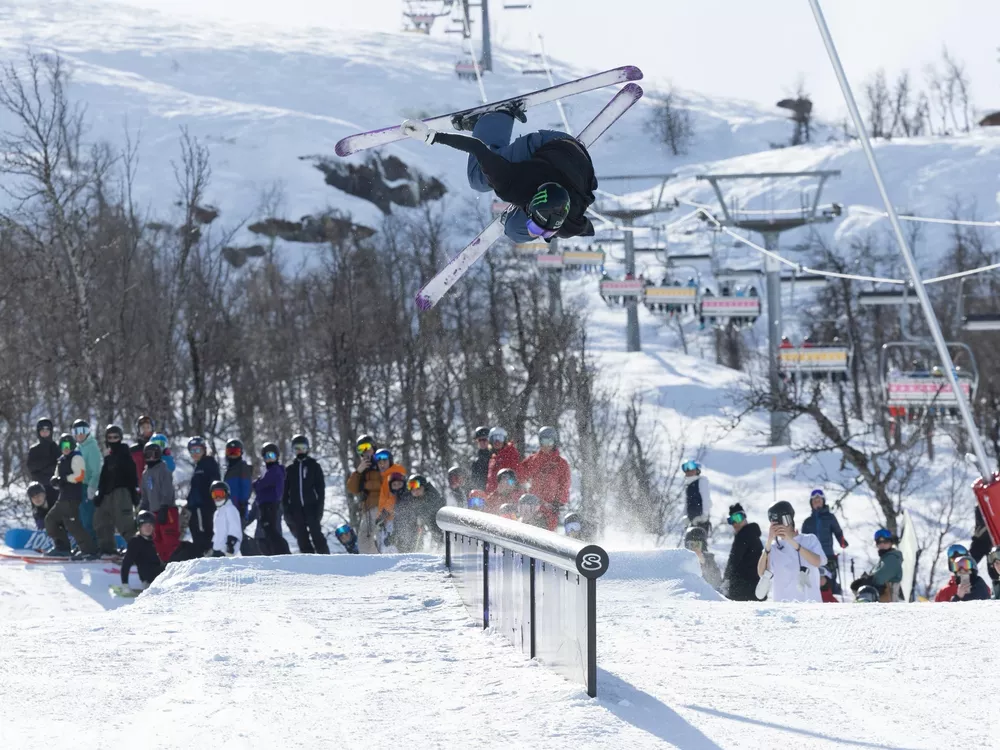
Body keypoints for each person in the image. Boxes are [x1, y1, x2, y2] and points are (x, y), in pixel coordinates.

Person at [401, 107, 597, 244]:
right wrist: (431, 136)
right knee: (478, 180)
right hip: (549, 144)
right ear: (530, 205)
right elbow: (477, 148)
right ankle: (495, 117)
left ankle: (516, 220)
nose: (538, 233)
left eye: (544, 232)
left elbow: (584, 226)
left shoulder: (570, 222)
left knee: (515, 230)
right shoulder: (512, 185)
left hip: (576, 160)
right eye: (538, 230)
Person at [756, 500, 826, 602]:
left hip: (810, 608)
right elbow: (761, 573)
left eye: (778, 523)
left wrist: (792, 542)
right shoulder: (774, 547)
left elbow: (817, 562)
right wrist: (768, 542)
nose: (776, 527)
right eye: (773, 524)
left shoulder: (809, 539)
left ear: (787, 519)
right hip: (784, 611)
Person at [42, 434, 99, 559]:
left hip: (72, 497)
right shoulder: (61, 460)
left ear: (73, 446)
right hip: (62, 497)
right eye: (63, 445)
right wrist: (55, 481)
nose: (66, 448)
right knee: (50, 520)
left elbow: (80, 476)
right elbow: (57, 476)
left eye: (68, 445)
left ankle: (89, 550)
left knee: (72, 525)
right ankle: (62, 547)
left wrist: (64, 479)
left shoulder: (77, 457)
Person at [93, 424, 138, 555]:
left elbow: (132, 476)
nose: (113, 440)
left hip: (121, 494)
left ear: (120, 438)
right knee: (101, 520)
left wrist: (134, 494)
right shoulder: (108, 457)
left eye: (116, 437)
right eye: (110, 437)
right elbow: (103, 478)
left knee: (125, 524)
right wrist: (100, 494)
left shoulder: (125, 455)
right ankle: (107, 549)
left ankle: (138, 550)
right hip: (107, 494)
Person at [283, 434, 330, 554]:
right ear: (293, 450)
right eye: (297, 448)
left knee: (316, 534)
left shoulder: (314, 466)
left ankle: (326, 559)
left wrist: (319, 509)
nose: (300, 451)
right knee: (301, 536)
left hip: (311, 507)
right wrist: (287, 511)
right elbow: (284, 493)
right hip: (296, 508)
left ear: (307, 448)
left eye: (303, 448)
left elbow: (321, 490)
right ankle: (308, 562)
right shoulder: (290, 469)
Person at [519, 426, 570, 531]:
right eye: (543, 441)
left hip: (550, 509)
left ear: (554, 442)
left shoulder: (561, 464)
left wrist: (558, 502)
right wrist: (522, 495)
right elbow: (520, 477)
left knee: (546, 536)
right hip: (531, 507)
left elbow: (565, 485)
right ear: (539, 441)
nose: (546, 445)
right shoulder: (533, 460)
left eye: (549, 442)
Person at [139, 441, 179, 563]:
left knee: (169, 539)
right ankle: (163, 566)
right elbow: (145, 495)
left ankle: (175, 564)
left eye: (155, 455)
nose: (152, 458)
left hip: (167, 510)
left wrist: (164, 506)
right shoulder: (145, 474)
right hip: (153, 513)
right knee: (157, 541)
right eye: (148, 455)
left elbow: (167, 489)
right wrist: (142, 510)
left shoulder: (163, 468)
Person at [800, 489, 848, 591]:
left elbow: (838, 532)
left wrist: (842, 541)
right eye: (815, 501)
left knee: (828, 581)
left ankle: (833, 598)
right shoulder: (807, 522)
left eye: (819, 500)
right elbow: (803, 539)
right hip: (812, 556)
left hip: (828, 555)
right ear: (811, 504)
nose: (817, 502)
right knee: (814, 581)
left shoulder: (830, 517)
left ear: (823, 502)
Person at [346, 434, 383, 554]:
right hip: (368, 510)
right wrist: (358, 472)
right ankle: (374, 563)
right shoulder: (362, 469)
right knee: (363, 541)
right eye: (361, 449)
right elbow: (352, 488)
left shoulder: (383, 461)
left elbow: (393, 482)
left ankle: (392, 564)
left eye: (367, 447)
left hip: (385, 507)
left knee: (384, 539)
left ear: (374, 447)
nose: (365, 451)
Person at [186, 436, 220, 556]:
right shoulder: (198, 466)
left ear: (204, 450)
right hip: (196, 506)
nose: (195, 454)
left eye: (198, 450)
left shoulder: (209, 463)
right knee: (196, 531)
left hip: (204, 506)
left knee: (203, 532)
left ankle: (206, 554)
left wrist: (210, 501)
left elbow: (215, 483)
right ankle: (201, 554)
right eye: (192, 451)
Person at [252, 442, 289, 555]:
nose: (269, 459)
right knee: (267, 528)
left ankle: (282, 551)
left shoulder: (275, 470)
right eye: (266, 456)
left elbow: (262, 484)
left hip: (270, 503)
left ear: (277, 456)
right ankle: (272, 552)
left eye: (272, 456)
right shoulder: (267, 470)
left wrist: (256, 484)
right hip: (264, 503)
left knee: (270, 528)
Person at [722, 503, 763, 602]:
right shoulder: (753, 534)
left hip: (743, 592)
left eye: (738, 517)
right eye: (731, 520)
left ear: (744, 517)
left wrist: (726, 579)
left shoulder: (744, 535)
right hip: (755, 590)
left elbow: (733, 559)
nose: (735, 523)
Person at [849, 528, 903, 603]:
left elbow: (880, 579)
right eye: (879, 542)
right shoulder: (884, 559)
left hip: (887, 603)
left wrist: (868, 580)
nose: (882, 544)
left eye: (885, 541)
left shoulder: (892, 558)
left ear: (891, 543)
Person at [71, 419, 101, 544]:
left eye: (83, 430)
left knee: (87, 518)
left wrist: (92, 487)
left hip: (87, 486)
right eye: (76, 431)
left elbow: (96, 471)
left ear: (88, 432)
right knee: (80, 518)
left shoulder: (91, 447)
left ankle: (91, 545)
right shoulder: (79, 447)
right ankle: (83, 544)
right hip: (78, 487)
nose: (80, 434)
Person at [119, 510, 164, 591]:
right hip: (149, 578)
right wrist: (124, 583)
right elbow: (126, 563)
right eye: (145, 525)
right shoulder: (135, 541)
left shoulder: (152, 540)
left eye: (150, 525)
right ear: (139, 527)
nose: (148, 528)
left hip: (159, 574)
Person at [374, 449, 407, 551]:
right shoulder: (382, 477)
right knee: (383, 549)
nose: (382, 465)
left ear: (390, 461)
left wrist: (385, 512)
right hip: (384, 520)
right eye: (379, 463)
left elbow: (395, 496)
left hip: (394, 520)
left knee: (392, 550)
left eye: (385, 462)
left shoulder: (394, 474)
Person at [27, 417, 60, 512]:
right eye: (42, 430)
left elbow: (57, 467)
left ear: (51, 431)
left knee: (55, 515)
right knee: (40, 518)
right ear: (38, 432)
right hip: (38, 490)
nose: (45, 432)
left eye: (47, 430)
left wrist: (41, 468)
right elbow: (31, 468)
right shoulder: (34, 449)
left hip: (54, 488)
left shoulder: (56, 448)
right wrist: (47, 462)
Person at [209, 481, 242, 558]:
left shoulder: (231, 509)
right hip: (217, 550)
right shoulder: (217, 512)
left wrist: (231, 544)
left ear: (226, 494)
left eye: (220, 494)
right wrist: (212, 545)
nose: (217, 498)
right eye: (215, 495)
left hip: (226, 551)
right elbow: (216, 532)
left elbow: (235, 528)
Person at [684, 525, 722, 591]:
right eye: (691, 544)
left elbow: (716, 583)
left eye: (697, 544)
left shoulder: (710, 561)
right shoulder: (683, 559)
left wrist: (704, 564)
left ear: (703, 545)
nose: (694, 548)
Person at [223, 438, 253, 524]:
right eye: (230, 452)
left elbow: (246, 486)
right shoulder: (228, 469)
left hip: (238, 508)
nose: (233, 455)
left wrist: (242, 504)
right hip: (227, 508)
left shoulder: (242, 467)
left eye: (236, 452)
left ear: (241, 453)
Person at [681, 460, 712, 534]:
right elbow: (687, 503)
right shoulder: (688, 485)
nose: (688, 470)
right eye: (685, 468)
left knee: (699, 542)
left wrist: (704, 516)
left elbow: (706, 500)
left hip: (701, 522)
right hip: (691, 521)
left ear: (697, 470)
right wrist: (685, 516)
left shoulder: (701, 481)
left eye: (691, 466)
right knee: (689, 542)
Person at [485, 427, 520, 492]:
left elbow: (516, 476)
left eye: (500, 438)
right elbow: (490, 482)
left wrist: (509, 488)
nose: (497, 441)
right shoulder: (493, 459)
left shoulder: (510, 454)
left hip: (507, 495)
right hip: (493, 497)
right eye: (494, 438)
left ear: (504, 440)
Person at [130, 415, 155, 491]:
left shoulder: (157, 447)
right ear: (138, 431)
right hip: (139, 490)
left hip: (156, 490)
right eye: (143, 428)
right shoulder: (133, 450)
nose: (146, 431)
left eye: (148, 427)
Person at [469, 426, 492, 490]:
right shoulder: (475, 461)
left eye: (484, 439)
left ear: (489, 440)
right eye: (480, 440)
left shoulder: (495, 456)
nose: (482, 442)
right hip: (481, 495)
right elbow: (474, 480)